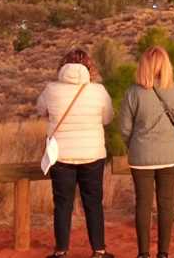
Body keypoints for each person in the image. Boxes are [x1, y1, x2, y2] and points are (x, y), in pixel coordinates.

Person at [37, 48, 115, 258]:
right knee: (93, 203)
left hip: (61, 155)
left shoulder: (51, 89)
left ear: (62, 66)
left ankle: (61, 251)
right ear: (88, 67)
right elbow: (107, 118)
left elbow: (40, 110)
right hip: (92, 153)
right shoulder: (98, 91)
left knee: (62, 203)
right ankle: (99, 250)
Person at [121, 46, 174, 258]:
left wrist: (134, 143)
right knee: (166, 203)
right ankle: (163, 253)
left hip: (141, 156)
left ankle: (143, 253)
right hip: (170, 156)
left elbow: (125, 128)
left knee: (143, 204)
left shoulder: (132, 92)